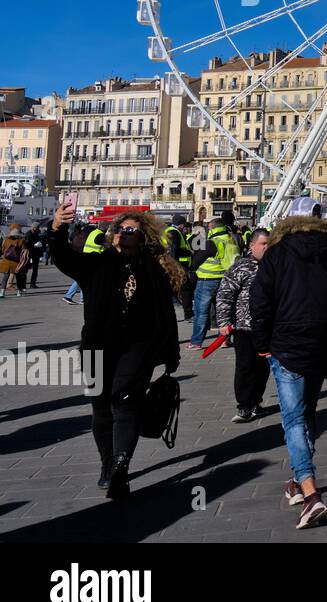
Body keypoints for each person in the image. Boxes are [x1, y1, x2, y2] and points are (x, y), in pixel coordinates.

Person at [49, 203, 183, 499]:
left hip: (137, 347)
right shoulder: (98, 264)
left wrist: (170, 352)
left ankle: (121, 466)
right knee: (100, 406)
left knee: (124, 400)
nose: (124, 234)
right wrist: (57, 228)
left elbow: (165, 314)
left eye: (131, 230)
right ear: (114, 235)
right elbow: (63, 258)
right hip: (97, 346)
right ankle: (107, 464)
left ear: (143, 235)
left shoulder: (154, 268)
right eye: (120, 230)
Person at [250, 206, 327, 529]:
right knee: (307, 414)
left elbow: (260, 299)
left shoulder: (276, 254)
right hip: (319, 341)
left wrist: (262, 342)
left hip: (286, 341)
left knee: (292, 418)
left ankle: (310, 492)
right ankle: (297, 481)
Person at [215, 228, 272, 422]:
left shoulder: (274, 266)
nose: (267, 248)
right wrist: (223, 322)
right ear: (252, 245)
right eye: (263, 244)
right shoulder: (241, 267)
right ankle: (244, 406)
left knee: (263, 368)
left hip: (267, 328)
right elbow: (225, 294)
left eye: (269, 244)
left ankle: (256, 402)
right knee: (245, 367)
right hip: (244, 328)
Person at [189, 210, 237, 349]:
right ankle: (224, 340)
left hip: (207, 280)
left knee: (201, 312)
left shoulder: (212, 242)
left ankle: (196, 342)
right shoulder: (231, 238)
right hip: (226, 279)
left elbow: (195, 261)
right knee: (223, 311)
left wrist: (198, 238)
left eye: (208, 226)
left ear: (212, 227)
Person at [164, 216, 194, 322]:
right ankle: (188, 314)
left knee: (176, 289)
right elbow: (174, 250)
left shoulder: (170, 231)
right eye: (184, 225)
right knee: (185, 290)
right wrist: (188, 252)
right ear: (181, 225)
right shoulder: (174, 232)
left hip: (172, 263)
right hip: (179, 265)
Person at [1, 224, 29, 297]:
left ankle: (2, 292)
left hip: (6, 261)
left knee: (5, 277)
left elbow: (3, 250)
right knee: (18, 277)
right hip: (16, 262)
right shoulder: (21, 240)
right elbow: (23, 252)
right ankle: (19, 292)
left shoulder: (6, 240)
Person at [23, 223, 45, 288]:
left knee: (35, 270)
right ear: (33, 227)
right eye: (36, 227)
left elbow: (43, 240)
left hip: (36, 254)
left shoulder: (39, 233)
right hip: (29, 254)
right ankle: (23, 284)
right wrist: (34, 245)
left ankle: (32, 284)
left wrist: (41, 243)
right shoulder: (28, 234)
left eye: (38, 227)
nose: (37, 228)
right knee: (26, 269)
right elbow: (26, 244)